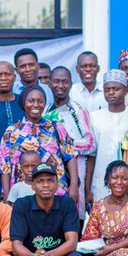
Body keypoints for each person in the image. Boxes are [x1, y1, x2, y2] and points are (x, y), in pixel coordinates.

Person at [8, 163, 83, 256]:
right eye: (40, 181)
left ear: (57, 184)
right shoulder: (22, 205)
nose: (45, 185)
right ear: (33, 186)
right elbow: (16, 245)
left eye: (50, 180)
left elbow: (72, 242)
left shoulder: (67, 204)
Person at [0, 85, 78, 204]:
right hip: (21, 194)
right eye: (31, 101)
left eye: (40, 101)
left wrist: (74, 186)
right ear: (24, 104)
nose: (36, 105)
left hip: (55, 191)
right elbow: (5, 166)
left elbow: (70, 156)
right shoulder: (12, 132)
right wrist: (6, 193)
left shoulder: (56, 128)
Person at [85, 70, 128, 203]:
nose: (111, 93)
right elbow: (91, 156)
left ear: (125, 90)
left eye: (116, 89)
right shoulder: (94, 117)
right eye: (107, 89)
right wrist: (87, 189)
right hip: (100, 182)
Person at [47, 66, 96, 196]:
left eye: (65, 82)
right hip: (50, 175)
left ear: (70, 84)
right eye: (56, 81)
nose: (60, 85)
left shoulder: (79, 111)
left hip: (76, 174)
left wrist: (64, 146)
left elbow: (90, 144)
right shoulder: (45, 111)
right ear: (49, 83)